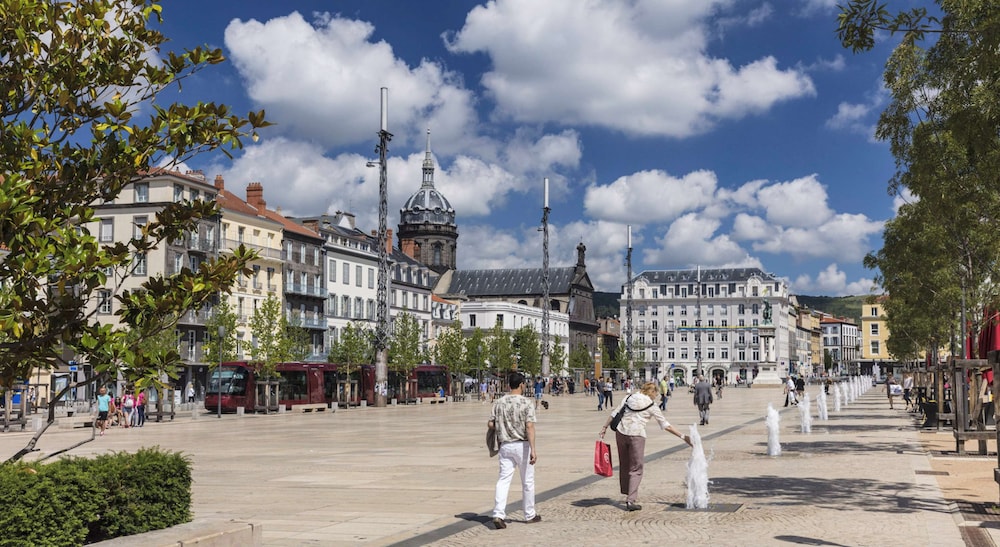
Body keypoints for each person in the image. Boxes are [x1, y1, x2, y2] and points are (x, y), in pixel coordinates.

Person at [599, 381, 692, 511]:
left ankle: (627, 491)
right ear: (652, 392)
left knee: (625, 464)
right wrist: (683, 437)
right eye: (656, 393)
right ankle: (630, 500)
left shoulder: (629, 397)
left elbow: (614, 413)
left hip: (621, 433)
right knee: (636, 467)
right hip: (637, 435)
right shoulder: (652, 405)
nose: (656, 396)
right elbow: (666, 425)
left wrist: (604, 428)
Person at [487, 371, 539, 529]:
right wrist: (533, 449)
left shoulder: (499, 402)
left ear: (509, 385)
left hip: (505, 446)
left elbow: (490, 424)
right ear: (522, 384)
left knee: (503, 480)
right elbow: (529, 426)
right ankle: (530, 514)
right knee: (527, 481)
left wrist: (502, 427)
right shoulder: (526, 403)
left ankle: (498, 513)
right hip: (522, 445)